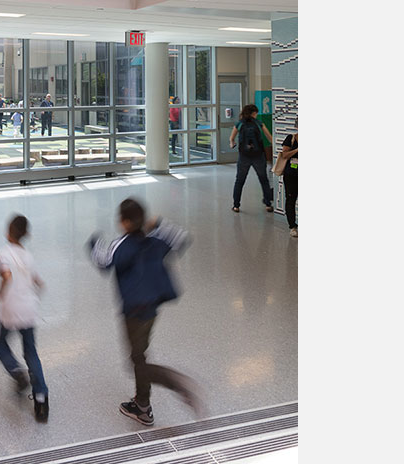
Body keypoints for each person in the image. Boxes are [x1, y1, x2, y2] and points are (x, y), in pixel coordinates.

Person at [88, 198, 201, 427]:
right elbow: (181, 237)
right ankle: (142, 404)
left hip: (133, 312)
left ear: (125, 222)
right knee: (140, 354)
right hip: (151, 309)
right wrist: (158, 223)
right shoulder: (156, 241)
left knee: (137, 360)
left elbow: (103, 260)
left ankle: (172, 384)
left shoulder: (122, 245)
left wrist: (94, 243)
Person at [0, 215, 49, 422]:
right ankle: (41, 399)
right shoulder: (28, 256)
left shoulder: (2, 252)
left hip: (11, 307)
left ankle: (17, 373)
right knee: (31, 352)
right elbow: (38, 282)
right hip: (29, 308)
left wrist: (0, 290)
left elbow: (7, 276)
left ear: (8, 232)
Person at [229, 104, 274, 213]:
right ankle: (268, 204)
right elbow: (269, 137)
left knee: (239, 181)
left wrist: (232, 143)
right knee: (263, 180)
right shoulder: (259, 123)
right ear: (254, 113)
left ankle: (236, 206)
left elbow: (232, 138)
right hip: (258, 156)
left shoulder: (240, 124)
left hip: (244, 157)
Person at [279, 131, 298, 237]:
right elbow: (285, 155)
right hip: (291, 174)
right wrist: (297, 150)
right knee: (291, 199)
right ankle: (292, 226)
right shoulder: (290, 138)